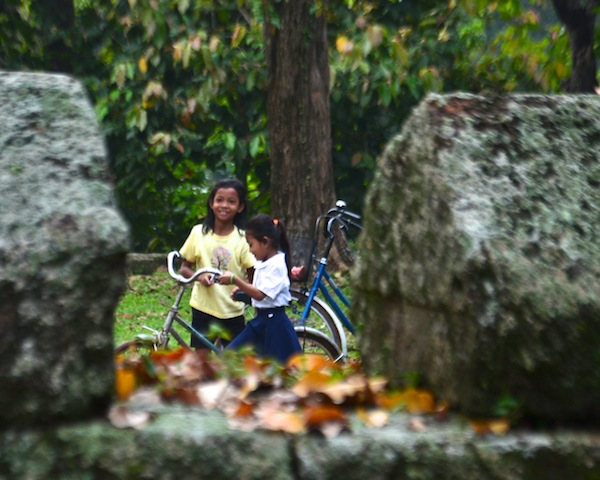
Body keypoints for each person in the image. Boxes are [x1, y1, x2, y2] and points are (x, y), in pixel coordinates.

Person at [179, 179, 255, 349]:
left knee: (234, 359)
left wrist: (238, 285)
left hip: (233, 311)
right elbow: (184, 268)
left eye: (231, 201)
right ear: (211, 203)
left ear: (240, 207)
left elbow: (253, 278)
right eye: (219, 200)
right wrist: (199, 277)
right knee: (201, 357)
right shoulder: (198, 233)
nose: (224, 205)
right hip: (203, 309)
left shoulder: (243, 239)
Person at [218, 214, 301, 365]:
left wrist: (235, 280)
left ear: (265, 242)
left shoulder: (276, 266)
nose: (250, 250)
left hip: (274, 325)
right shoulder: (265, 263)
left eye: (251, 245)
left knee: (277, 369)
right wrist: (242, 289)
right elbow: (258, 288)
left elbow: (260, 294)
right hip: (261, 321)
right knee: (231, 356)